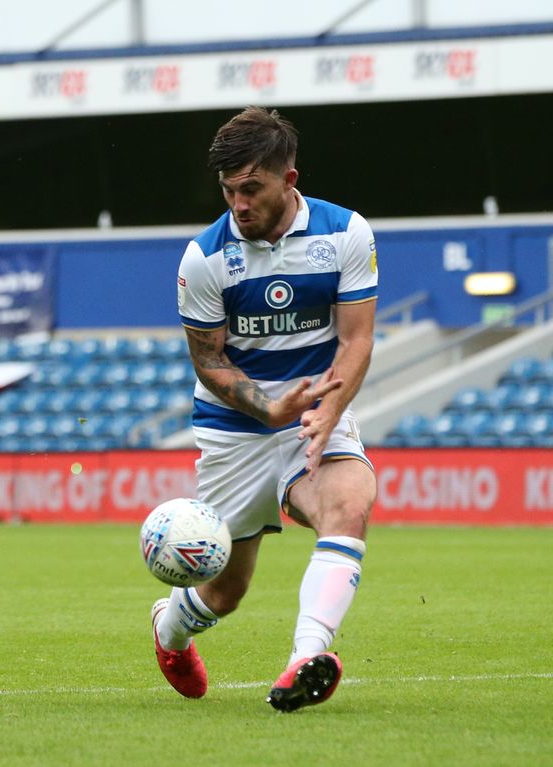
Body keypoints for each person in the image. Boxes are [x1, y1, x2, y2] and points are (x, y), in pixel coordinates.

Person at [154, 107, 377, 712]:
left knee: (348, 506)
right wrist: (269, 408)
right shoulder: (203, 258)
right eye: (228, 191)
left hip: (315, 412)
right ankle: (169, 632)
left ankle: (306, 656)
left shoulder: (345, 233)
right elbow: (210, 361)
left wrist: (331, 409)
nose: (238, 204)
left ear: (289, 179)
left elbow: (357, 339)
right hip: (235, 431)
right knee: (226, 590)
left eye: (251, 188)